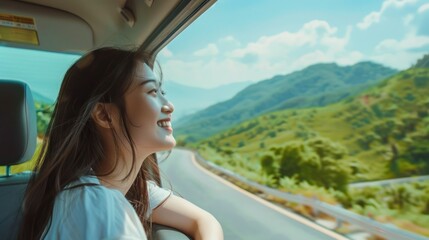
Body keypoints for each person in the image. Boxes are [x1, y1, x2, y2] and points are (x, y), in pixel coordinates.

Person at [19, 47, 224, 240]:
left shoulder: (126, 189)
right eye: (152, 92)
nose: (169, 106)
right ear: (104, 115)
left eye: (163, 93)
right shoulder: (95, 203)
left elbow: (204, 220)